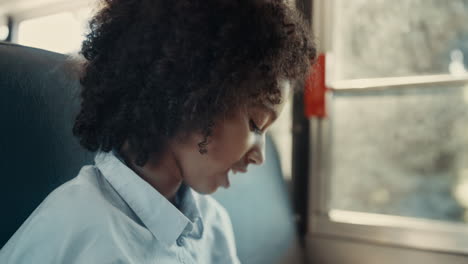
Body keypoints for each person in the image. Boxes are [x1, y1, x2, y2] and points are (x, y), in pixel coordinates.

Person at [0, 0, 315, 263]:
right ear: (194, 97)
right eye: (256, 124)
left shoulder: (212, 224)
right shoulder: (75, 232)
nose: (259, 155)